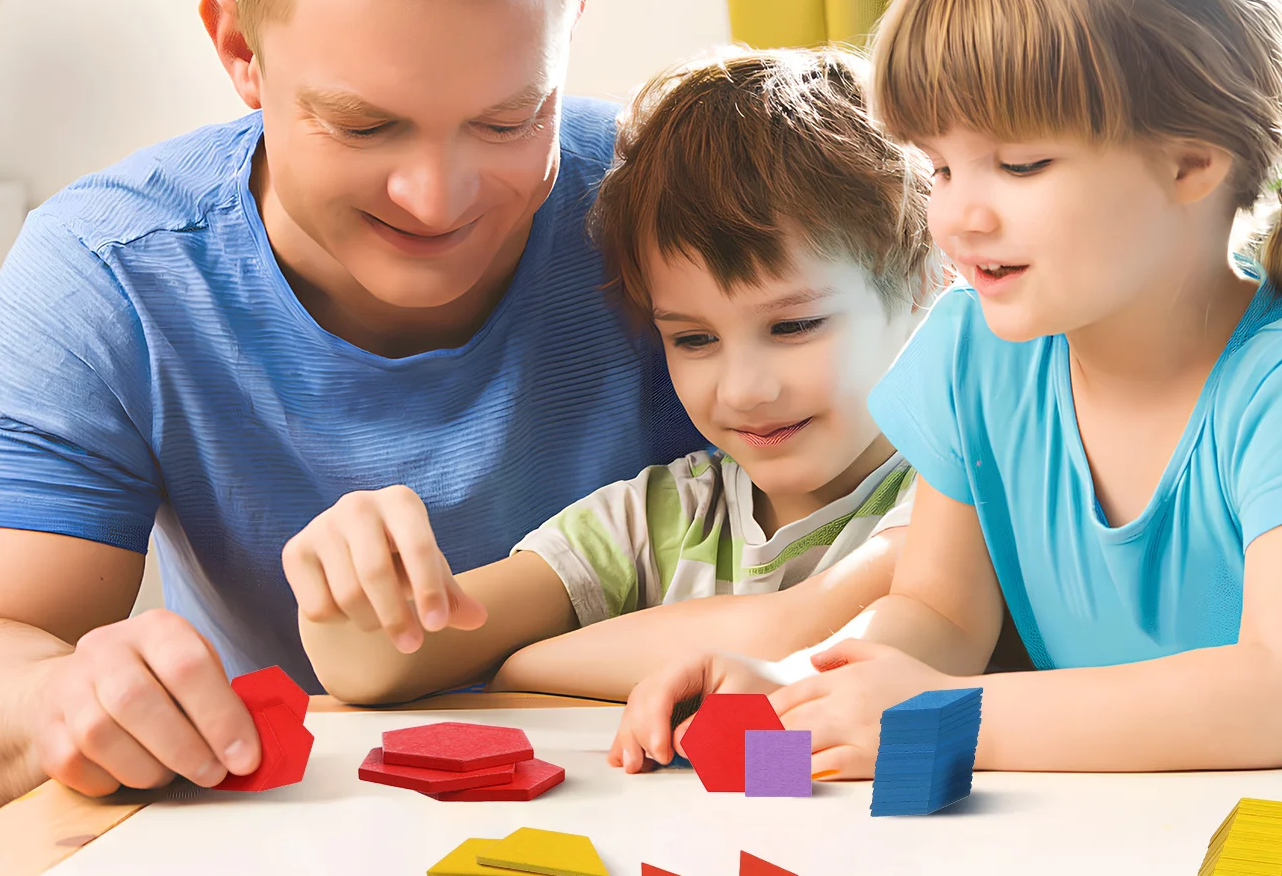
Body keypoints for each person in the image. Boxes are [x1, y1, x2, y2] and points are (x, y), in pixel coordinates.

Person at [0, 0, 697, 818]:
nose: (437, 197)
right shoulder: (111, 272)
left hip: (665, 811)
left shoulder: (681, 204)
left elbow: (878, 551)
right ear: (240, 50)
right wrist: (58, 699)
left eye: (510, 119)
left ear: (570, 27)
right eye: (363, 125)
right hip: (274, 839)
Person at [614, 0, 1282, 778]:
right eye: (940, 169)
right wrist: (796, 688)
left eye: (1018, 165)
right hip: (1115, 798)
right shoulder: (974, 350)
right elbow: (939, 616)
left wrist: (943, 718)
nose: (958, 217)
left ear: (1191, 164)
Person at [292, 48, 932, 705]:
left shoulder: (949, 499)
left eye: (793, 326)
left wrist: (528, 668)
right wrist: (349, 572)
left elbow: (792, 639)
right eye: (694, 339)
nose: (744, 390)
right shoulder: (660, 519)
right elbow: (376, 665)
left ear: (923, 283)